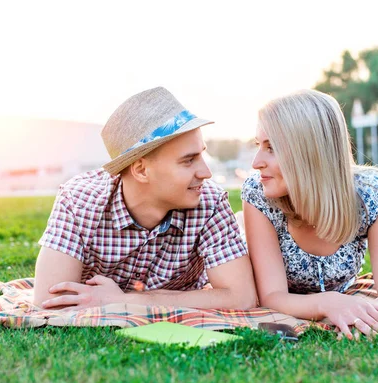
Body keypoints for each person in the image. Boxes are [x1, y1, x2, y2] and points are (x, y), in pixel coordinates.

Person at [34, 87, 256, 311]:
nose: (206, 173)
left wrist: (123, 301)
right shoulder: (79, 201)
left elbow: (241, 297)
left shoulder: (210, 202)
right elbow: (49, 301)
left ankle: (241, 227)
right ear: (141, 170)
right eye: (188, 160)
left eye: (201, 155)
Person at [242, 89, 378, 339]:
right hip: (242, 244)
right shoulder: (258, 194)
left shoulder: (371, 193)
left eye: (271, 148)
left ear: (309, 152)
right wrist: (328, 303)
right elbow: (272, 297)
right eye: (259, 145)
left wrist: (361, 316)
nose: (256, 162)